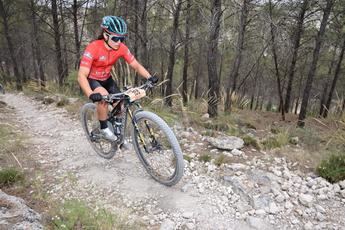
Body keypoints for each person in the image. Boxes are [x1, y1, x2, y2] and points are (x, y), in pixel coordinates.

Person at [78, 16, 158, 141]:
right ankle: (104, 128)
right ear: (105, 35)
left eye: (122, 38)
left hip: (107, 79)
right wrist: (90, 94)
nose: (119, 42)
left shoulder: (121, 48)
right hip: (92, 79)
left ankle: (117, 130)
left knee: (120, 104)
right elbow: (81, 75)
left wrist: (149, 77)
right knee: (103, 97)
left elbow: (135, 65)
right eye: (115, 38)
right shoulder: (93, 47)